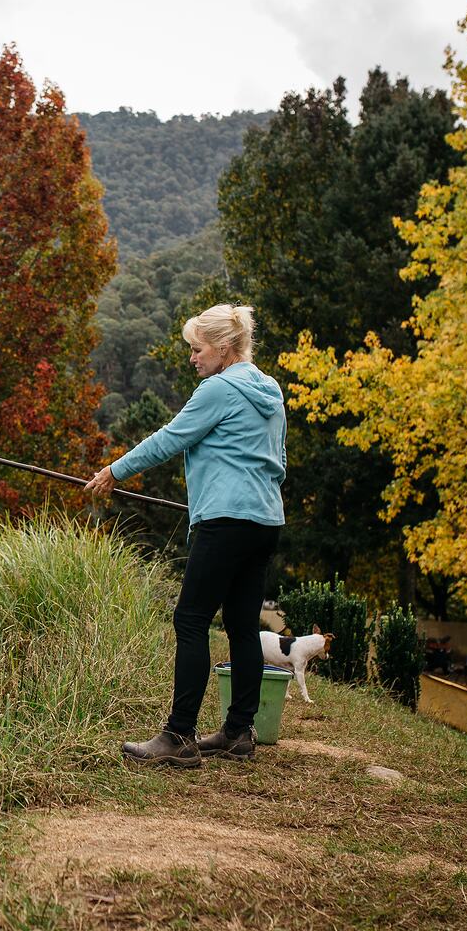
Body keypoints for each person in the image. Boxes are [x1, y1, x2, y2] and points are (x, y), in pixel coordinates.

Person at [84, 303, 286, 766]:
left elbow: (170, 438)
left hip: (226, 523)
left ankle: (178, 736)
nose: (193, 358)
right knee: (241, 625)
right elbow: (280, 460)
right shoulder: (270, 390)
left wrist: (115, 470)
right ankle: (238, 733)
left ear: (223, 348)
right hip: (265, 522)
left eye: (197, 350)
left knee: (191, 619)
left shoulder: (218, 389)